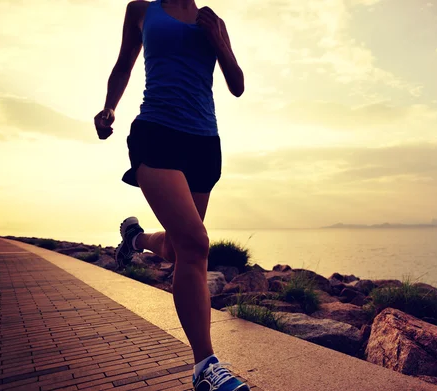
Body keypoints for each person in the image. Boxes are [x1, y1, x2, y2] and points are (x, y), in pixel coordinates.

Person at [93, 0, 247, 390]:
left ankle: (135, 238)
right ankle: (205, 369)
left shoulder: (210, 20)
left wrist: (220, 42)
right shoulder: (142, 10)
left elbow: (237, 85)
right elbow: (124, 64)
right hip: (156, 131)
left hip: (204, 143)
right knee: (196, 244)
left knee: (181, 249)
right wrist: (109, 108)